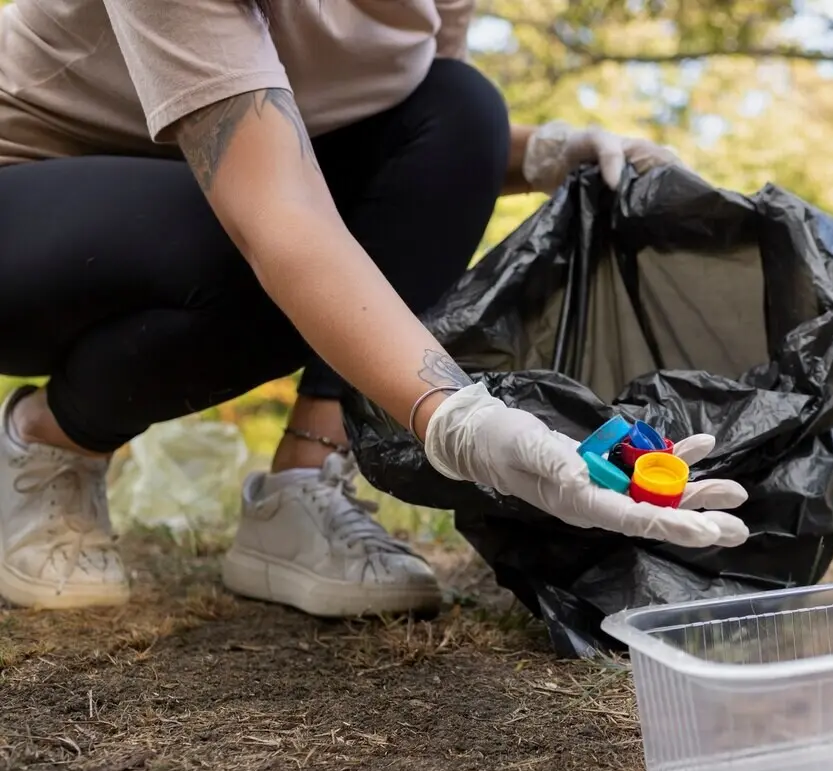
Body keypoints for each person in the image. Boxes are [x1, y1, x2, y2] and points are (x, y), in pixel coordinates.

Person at [0, 0, 751, 616]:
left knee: (462, 110)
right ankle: (50, 445)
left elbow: (418, 152)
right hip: (27, 202)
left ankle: (303, 481)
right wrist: (461, 421)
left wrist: (551, 153)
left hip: (226, 189)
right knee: (249, 241)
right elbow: (277, 215)